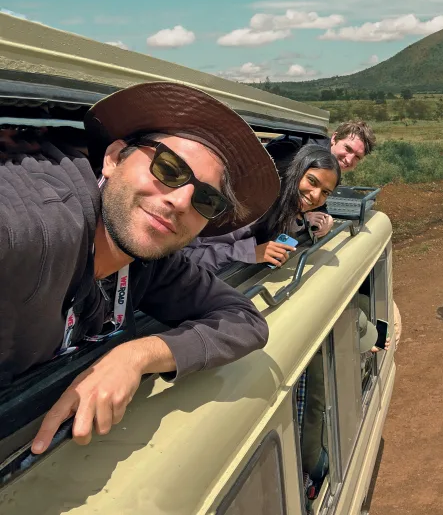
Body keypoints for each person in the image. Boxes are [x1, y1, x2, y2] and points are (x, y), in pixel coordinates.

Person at [0, 81, 281, 454]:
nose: (181, 201)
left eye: (207, 199)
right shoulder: (38, 224)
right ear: (114, 158)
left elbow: (245, 320)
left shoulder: (148, 261)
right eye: (168, 168)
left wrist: (137, 355)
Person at [184, 145, 341, 273]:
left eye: (325, 192)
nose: (316, 195)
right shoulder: (247, 207)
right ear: (296, 171)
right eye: (312, 181)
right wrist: (249, 253)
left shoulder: (288, 209)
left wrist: (307, 221)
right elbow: (187, 257)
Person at [265, 119, 376, 174]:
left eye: (357, 157)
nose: (349, 160)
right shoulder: (300, 151)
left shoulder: (330, 164)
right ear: (334, 138)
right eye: (347, 148)